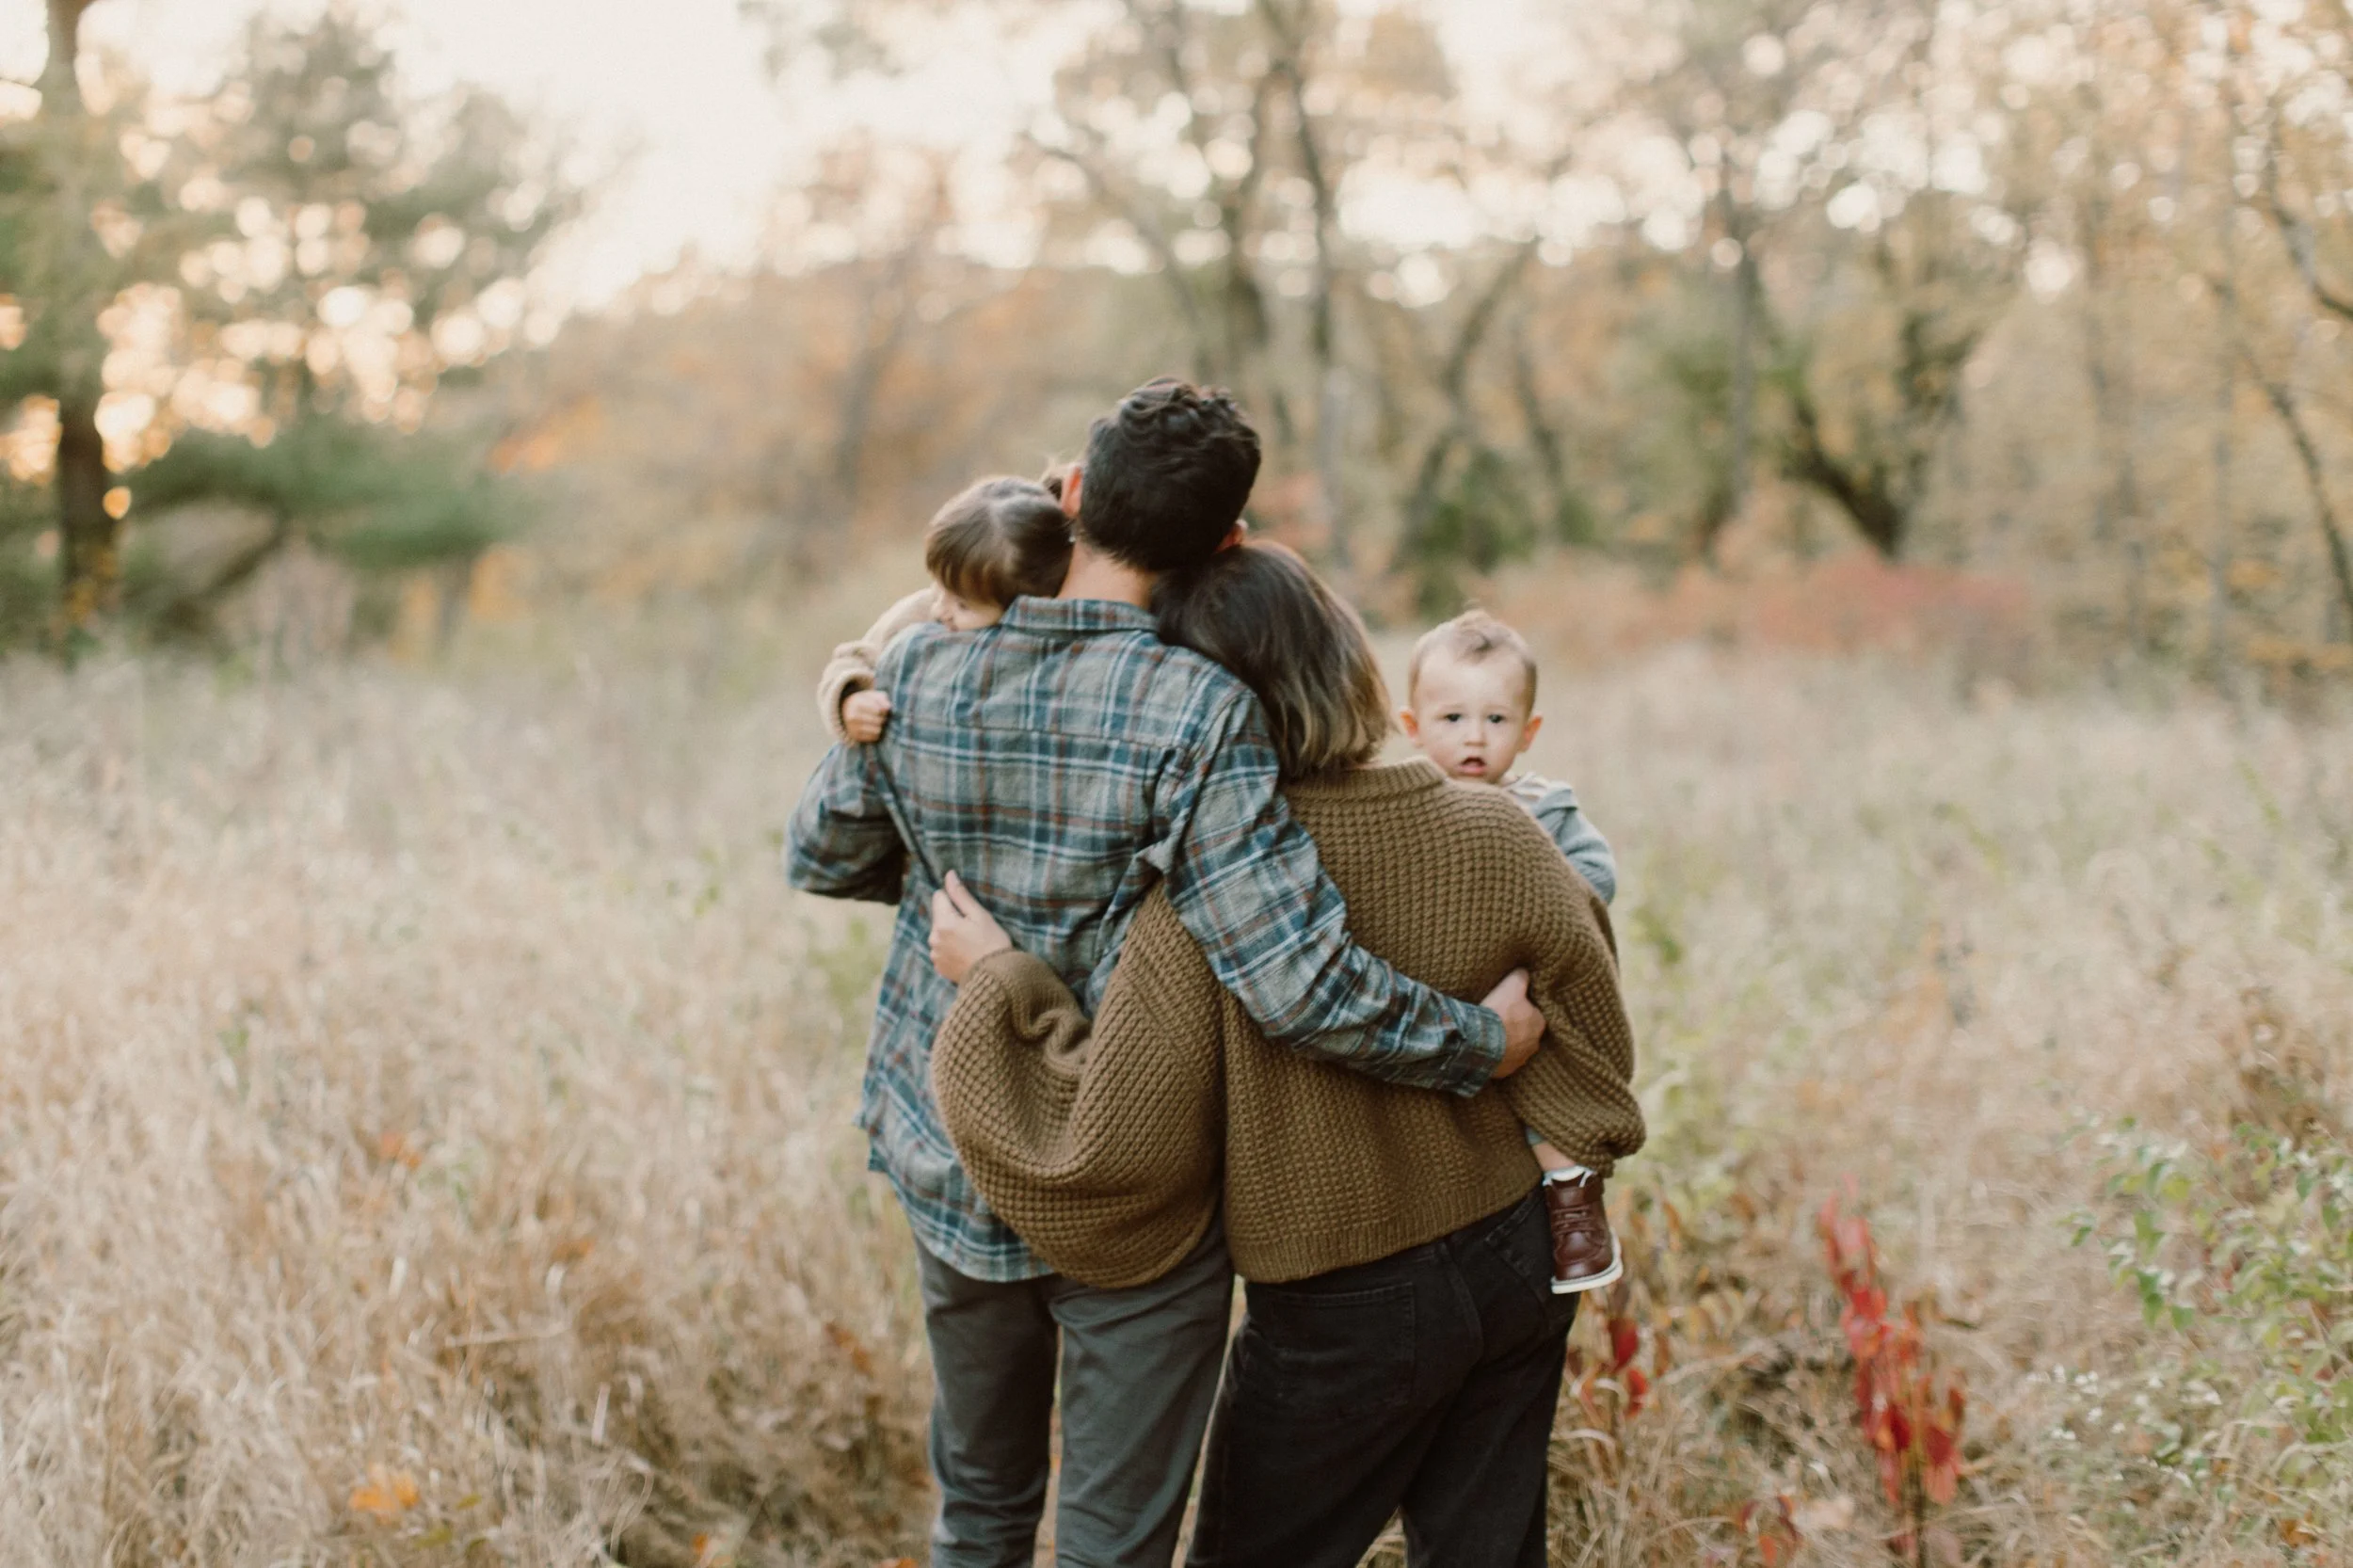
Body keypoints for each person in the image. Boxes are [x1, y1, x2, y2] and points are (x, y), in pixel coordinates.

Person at [785, 379, 1546, 1568]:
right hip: (1129, 1180)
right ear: (1226, 544)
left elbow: (824, 855)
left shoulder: (921, 667)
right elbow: (1292, 977)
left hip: (953, 1145)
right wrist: (1476, 1042)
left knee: (978, 1508)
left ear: (1073, 494)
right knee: (1111, 1543)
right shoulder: (1200, 710)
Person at [925, 540, 1644, 1568]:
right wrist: (1566, 1157)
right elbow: (1594, 1039)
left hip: (1341, 1304)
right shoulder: (1498, 826)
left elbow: (1112, 1145)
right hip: (1513, 1257)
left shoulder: (1208, 903)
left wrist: (1001, 981)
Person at [1399, 609, 1623, 1292]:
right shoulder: (1406, 807)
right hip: (1440, 991)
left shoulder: (1542, 805)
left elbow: (1597, 876)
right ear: (1410, 728)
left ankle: (1572, 1201)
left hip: (1526, 979)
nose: (1475, 738)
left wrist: (1531, 873)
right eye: (1452, 719)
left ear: (1528, 733)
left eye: (1496, 721)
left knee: (1550, 1072)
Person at [814, 474, 1074, 745]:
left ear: (1027, 606)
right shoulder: (919, 613)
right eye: (939, 586)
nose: (940, 610)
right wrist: (851, 698)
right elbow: (852, 659)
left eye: (963, 605)